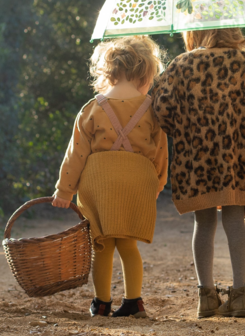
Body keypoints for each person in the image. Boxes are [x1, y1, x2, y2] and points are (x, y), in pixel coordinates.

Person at [152, 28, 245, 318]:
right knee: (236, 220)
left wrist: (183, 130)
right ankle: (240, 297)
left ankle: (206, 297)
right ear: (232, 29)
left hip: (195, 159)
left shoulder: (181, 64)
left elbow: (160, 106)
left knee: (205, 223)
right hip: (237, 158)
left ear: (194, 32)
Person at [53, 36, 168, 318]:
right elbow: (161, 152)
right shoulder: (152, 109)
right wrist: (158, 183)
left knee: (101, 244)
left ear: (108, 72)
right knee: (128, 244)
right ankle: (134, 303)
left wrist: (64, 190)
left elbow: (76, 154)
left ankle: (101, 303)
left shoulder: (92, 108)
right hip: (136, 180)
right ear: (146, 73)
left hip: (99, 182)